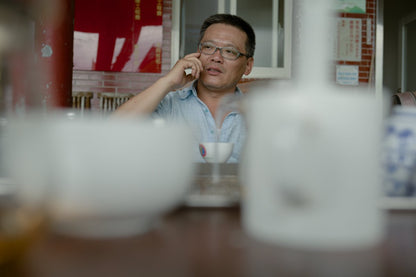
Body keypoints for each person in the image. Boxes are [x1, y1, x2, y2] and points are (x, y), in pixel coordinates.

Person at [113, 14, 255, 163]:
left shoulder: (257, 115)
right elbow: (114, 132)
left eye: (229, 51)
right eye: (208, 47)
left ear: (248, 65)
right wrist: (167, 82)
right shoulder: (169, 105)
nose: (216, 57)